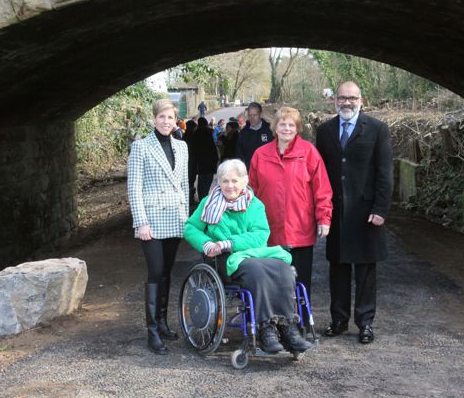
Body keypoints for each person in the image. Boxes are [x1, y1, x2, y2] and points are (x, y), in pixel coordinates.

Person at [183, 159, 313, 354]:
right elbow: (190, 228)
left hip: (255, 254)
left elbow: (260, 235)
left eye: (235, 181)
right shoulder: (207, 203)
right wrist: (207, 244)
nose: (230, 186)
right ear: (219, 182)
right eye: (225, 181)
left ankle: (288, 328)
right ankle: (265, 329)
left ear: (245, 181)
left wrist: (230, 242)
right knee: (256, 271)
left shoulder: (255, 205)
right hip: (226, 261)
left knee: (283, 269)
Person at [315, 81, 393, 345]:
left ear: (361, 100)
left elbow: (385, 173)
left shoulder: (377, 129)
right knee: (337, 268)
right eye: (342, 98)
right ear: (335, 101)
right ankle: (338, 320)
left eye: (352, 98)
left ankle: (365, 323)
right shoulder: (324, 131)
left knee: (365, 271)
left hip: (366, 213)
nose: (346, 103)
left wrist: (381, 209)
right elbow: (320, 173)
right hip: (336, 212)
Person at [249, 107, 333, 305]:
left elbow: (322, 189)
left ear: (298, 128)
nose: (286, 128)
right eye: (282, 124)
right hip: (269, 229)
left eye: (291, 125)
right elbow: (250, 192)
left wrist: (324, 218)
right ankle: (276, 323)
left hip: (300, 228)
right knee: (273, 280)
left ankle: (302, 322)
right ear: (274, 127)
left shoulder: (309, 152)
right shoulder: (260, 155)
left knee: (300, 281)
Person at [127, 98, 190, 355]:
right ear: (154, 119)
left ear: (176, 121)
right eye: (162, 117)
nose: (166, 122)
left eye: (170, 118)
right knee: (155, 272)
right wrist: (141, 222)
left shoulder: (182, 147)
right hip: (151, 221)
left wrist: (185, 218)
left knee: (167, 272)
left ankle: (163, 323)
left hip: (174, 218)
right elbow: (134, 188)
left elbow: (185, 184)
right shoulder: (141, 147)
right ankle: (152, 331)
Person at [236, 102, 274, 168]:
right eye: (250, 115)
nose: (252, 118)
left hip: (267, 171)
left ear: (260, 114)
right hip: (249, 172)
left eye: (254, 115)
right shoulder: (243, 133)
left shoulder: (270, 130)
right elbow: (239, 155)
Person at [191, 117, 218, 200]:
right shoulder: (209, 133)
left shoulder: (196, 134)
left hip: (201, 163)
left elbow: (194, 150)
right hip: (210, 162)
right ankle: (205, 198)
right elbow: (213, 149)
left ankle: (201, 199)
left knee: (201, 182)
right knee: (207, 182)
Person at [184, 119, 198, 205]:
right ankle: (190, 200)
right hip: (191, 162)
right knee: (190, 180)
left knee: (189, 180)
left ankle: (189, 199)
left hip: (188, 162)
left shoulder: (185, 136)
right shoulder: (193, 137)